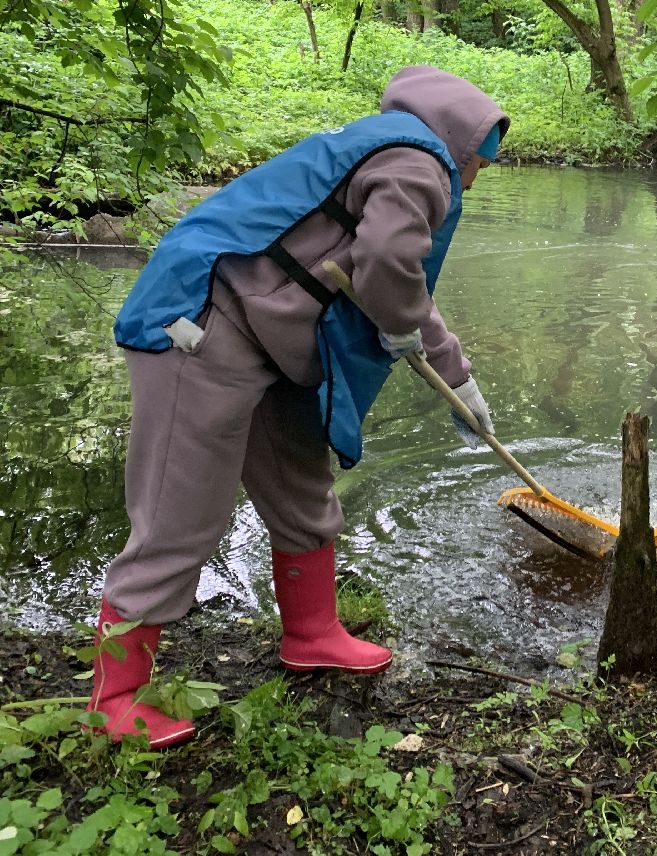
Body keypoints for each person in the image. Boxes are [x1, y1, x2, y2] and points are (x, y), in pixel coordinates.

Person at [88, 66, 508, 748]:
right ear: (456, 140)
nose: (478, 174)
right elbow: (386, 263)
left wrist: (458, 382)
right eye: (481, 158)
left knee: (300, 484)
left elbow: (399, 289)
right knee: (178, 511)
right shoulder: (419, 165)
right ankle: (117, 696)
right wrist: (398, 322)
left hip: (269, 341)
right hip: (197, 326)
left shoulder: (391, 152)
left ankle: (313, 634)